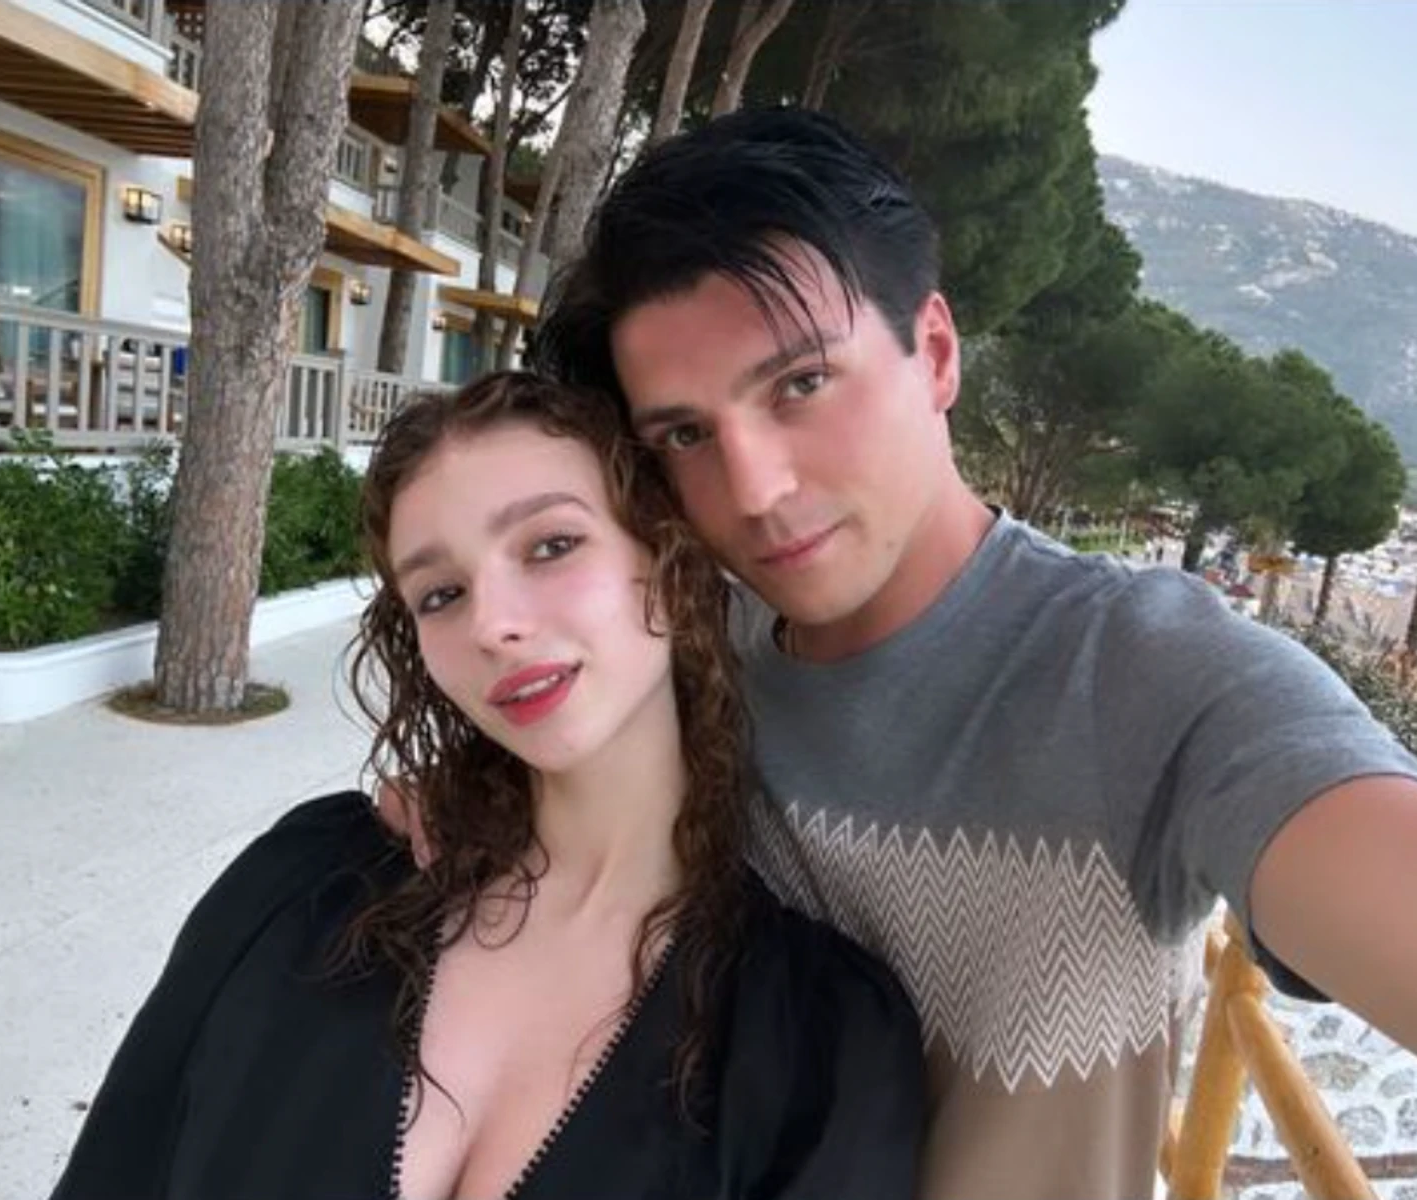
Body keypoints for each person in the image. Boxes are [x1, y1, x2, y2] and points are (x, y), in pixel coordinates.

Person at [516, 108, 1417, 1199]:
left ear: (938, 355)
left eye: (801, 384)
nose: (755, 489)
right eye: (685, 434)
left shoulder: (1148, 677)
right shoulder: (686, 656)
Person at [50, 373, 925, 1200]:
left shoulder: (823, 1043)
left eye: (551, 545)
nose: (493, 625)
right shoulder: (301, 889)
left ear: (668, 563)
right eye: (440, 594)